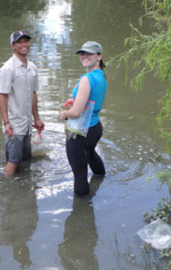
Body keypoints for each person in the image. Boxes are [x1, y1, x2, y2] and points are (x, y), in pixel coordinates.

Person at [59, 41, 107, 196]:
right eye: (82, 53)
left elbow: (77, 112)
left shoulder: (86, 79)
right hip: (95, 128)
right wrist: (76, 101)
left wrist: (64, 114)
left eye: (90, 53)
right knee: (91, 153)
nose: (84, 56)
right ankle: (101, 177)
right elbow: (91, 101)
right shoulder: (101, 76)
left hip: (80, 133)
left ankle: (81, 210)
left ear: (99, 56)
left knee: (79, 175)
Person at [0, 30, 44, 176]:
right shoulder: (7, 69)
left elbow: (33, 94)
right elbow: (2, 96)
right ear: (13, 45)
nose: (24, 44)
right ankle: (8, 192)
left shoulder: (33, 68)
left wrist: (36, 118)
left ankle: (24, 192)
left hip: (27, 123)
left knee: (26, 159)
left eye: (26, 41)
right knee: (13, 160)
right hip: (14, 124)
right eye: (19, 42)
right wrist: (6, 122)